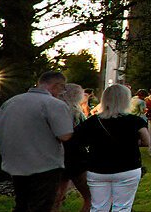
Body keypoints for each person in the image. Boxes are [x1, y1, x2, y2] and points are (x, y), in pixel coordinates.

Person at [0, 71, 76, 212]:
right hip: (45, 164)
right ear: (57, 85)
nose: (61, 92)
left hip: (15, 163)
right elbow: (65, 136)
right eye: (62, 89)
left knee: (22, 203)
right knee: (41, 205)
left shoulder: (11, 102)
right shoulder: (54, 104)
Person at [74, 84, 150, 212]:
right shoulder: (135, 121)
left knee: (98, 207)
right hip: (128, 166)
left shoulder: (93, 121)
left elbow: (77, 141)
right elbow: (147, 141)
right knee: (122, 207)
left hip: (97, 168)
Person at [55, 84, 92, 212]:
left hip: (57, 156)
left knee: (57, 196)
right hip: (76, 158)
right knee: (90, 197)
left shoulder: (54, 111)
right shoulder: (77, 114)